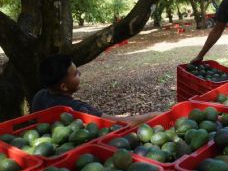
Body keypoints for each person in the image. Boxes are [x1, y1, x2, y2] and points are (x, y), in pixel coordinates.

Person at [32, 54, 162, 127]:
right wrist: (155, 115)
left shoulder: (39, 96)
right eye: (76, 73)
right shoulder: (77, 109)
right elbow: (120, 123)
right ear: (64, 87)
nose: (80, 73)